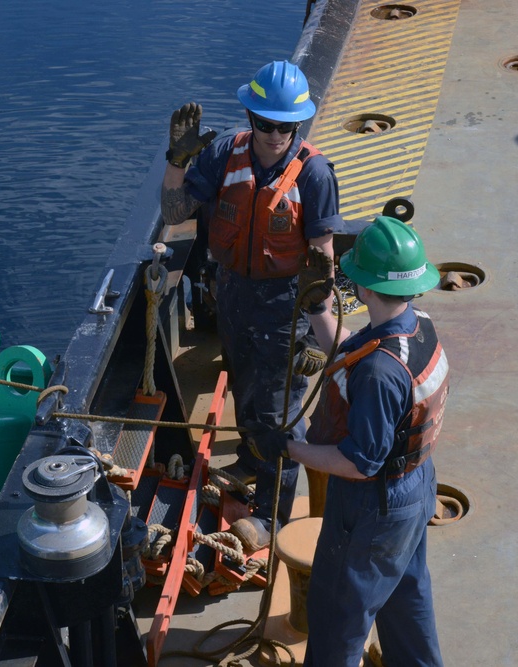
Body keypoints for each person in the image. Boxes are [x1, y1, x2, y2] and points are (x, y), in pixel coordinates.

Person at [248, 215, 447, 666]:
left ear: (364, 287)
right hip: (415, 490)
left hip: (372, 506)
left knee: (339, 614)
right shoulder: (418, 327)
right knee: (405, 600)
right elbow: (351, 350)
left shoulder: (380, 374)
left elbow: (360, 463)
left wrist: (288, 447)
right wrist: (318, 306)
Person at [160, 60, 341, 551]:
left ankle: (273, 515)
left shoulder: (315, 173)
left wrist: (313, 336)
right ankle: (249, 457)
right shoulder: (224, 153)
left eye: (286, 125)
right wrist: (178, 160)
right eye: (265, 122)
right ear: (250, 117)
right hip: (234, 293)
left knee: (280, 413)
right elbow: (175, 212)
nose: (274, 134)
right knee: (245, 386)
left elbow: (322, 259)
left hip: (285, 303)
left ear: (298, 124)